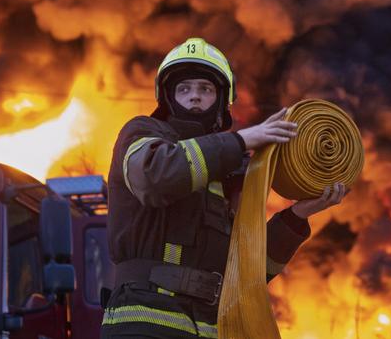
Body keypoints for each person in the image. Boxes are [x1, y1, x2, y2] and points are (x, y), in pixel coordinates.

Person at [100, 37, 348, 338]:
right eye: (184, 89)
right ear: (167, 97)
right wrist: (242, 140)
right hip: (143, 326)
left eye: (205, 89)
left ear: (221, 100)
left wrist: (297, 215)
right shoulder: (142, 133)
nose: (194, 96)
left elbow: (248, 273)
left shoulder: (230, 175)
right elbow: (155, 178)